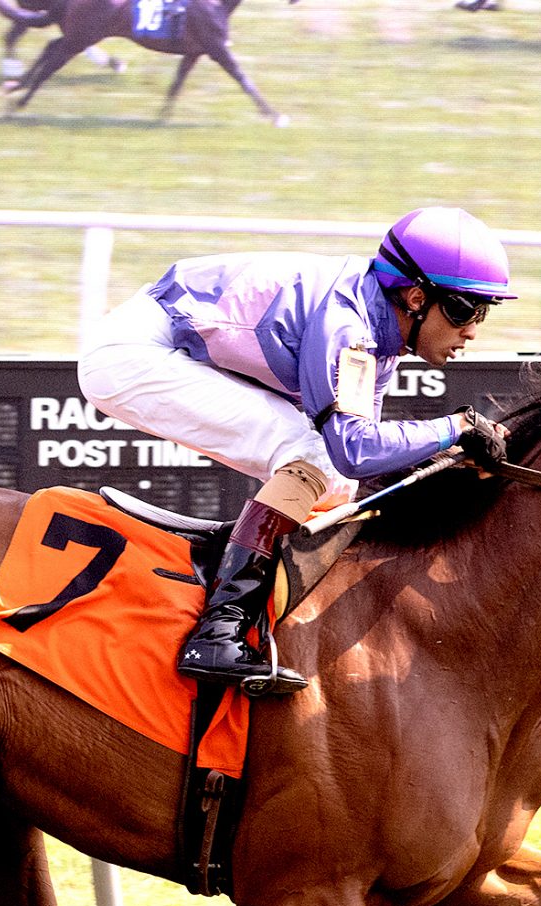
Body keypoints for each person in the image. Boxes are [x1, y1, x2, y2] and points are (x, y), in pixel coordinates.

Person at [78, 205, 516, 695]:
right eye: (464, 310)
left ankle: (248, 593)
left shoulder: (380, 329)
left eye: (483, 313)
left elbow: (359, 461)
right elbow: (354, 447)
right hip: (135, 355)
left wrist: (445, 457)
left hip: (165, 339)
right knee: (309, 453)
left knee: (332, 477)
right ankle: (219, 629)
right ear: (416, 297)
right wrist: (454, 428)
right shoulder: (349, 326)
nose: (473, 330)